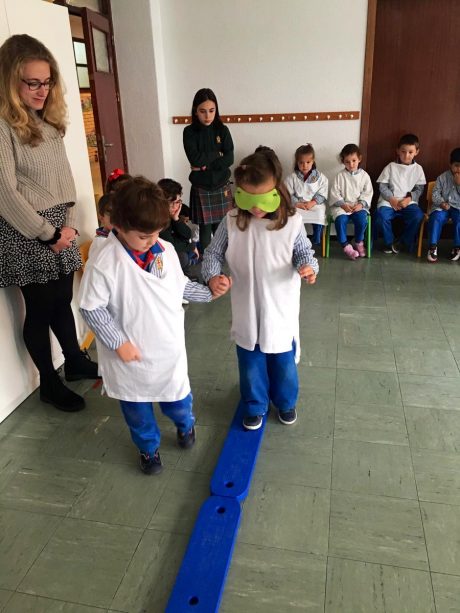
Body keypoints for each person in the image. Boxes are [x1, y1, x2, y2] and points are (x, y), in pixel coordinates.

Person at [79, 176, 229, 474]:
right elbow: (91, 307)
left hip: (166, 348)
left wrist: (210, 292)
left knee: (178, 401)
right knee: (137, 411)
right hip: (128, 355)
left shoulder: (165, 250)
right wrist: (118, 342)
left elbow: (179, 285)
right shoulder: (104, 261)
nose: (152, 241)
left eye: (157, 233)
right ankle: (148, 449)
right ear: (118, 226)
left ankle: (185, 425)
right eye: (144, 236)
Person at [0, 34, 98, 412]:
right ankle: (49, 383)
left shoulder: (50, 122)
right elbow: (5, 193)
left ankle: (74, 361)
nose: (43, 90)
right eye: (33, 83)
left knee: (62, 299)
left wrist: (68, 224)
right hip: (27, 232)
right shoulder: (4, 127)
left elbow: (63, 178)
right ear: (11, 81)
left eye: (47, 81)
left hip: (60, 228)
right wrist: (48, 233)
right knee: (40, 308)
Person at [202, 151, 318, 431]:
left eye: (263, 199)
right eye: (248, 198)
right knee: (250, 360)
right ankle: (255, 404)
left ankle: (286, 402)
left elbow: (304, 252)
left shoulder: (291, 222)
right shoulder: (232, 221)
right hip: (246, 307)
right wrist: (212, 275)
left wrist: (308, 267)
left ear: (277, 189)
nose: (255, 208)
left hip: (280, 307)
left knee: (283, 360)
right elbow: (213, 253)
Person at [183, 88, 234, 252]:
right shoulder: (189, 132)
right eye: (202, 111)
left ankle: (221, 263)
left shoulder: (223, 130)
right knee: (205, 229)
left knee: (221, 229)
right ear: (195, 111)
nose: (208, 116)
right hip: (201, 186)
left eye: (212, 111)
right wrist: (218, 154)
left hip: (221, 184)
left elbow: (229, 159)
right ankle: (207, 265)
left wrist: (205, 166)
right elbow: (195, 159)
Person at [374, 133, 426, 253]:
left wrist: (408, 199)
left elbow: (419, 189)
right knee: (381, 217)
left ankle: (402, 242)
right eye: (403, 151)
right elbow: (382, 186)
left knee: (417, 216)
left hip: (408, 202)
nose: (406, 155)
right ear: (397, 151)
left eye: (410, 152)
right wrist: (391, 199)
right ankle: (390, 243)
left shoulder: (418, 169)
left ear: (417, 152)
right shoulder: (390, 167)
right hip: (389, 201)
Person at [329, 144, 373, 259]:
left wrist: (361, 204)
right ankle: (346, 245)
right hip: (342, 206)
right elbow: (335, 193)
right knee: (340, 221)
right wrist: (343, 205)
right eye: (347, 162)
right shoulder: (340, 176)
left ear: (359, 159)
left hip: (358, 206)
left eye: (354, 160)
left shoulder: (364, 176)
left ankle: (358, 241)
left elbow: (368, 192)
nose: (351, 164)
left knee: (362, 220)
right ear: (343, 161)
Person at [284, 143, 328, 245]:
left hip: (314, 204)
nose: (305, 165)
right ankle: (298, 238)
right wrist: (297, 203)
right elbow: (287, 193)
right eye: (301, 163)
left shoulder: (321, 178)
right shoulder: (292, 178)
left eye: (308, 162)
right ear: (297, 162)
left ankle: (317, 235)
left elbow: (322, 193)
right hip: (298, 205)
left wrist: (312, 202)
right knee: (292, 215)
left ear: (313, 161)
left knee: (320, 213)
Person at [158, 178, 199, 275]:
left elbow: (187, 234)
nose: (175, 206)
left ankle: (186, 277)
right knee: (182, 256)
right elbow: (170, 244)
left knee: (186, 250)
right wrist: (190, 246)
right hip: (160, 253)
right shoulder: (159, 218)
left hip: (173, 247)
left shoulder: (172, 214)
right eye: (172, 202)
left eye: (178, 201)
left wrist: (176, 219)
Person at [426, 148, 460, 263]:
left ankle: (457, 247)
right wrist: (441, 202)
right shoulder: (442, 177)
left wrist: (459, 184)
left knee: (459, 220)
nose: (459, 169)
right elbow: (435, 193)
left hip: (458, 208)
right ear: (450, 164)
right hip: (442, 206)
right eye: (456, 165)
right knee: (436, 218)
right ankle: (433, 246)